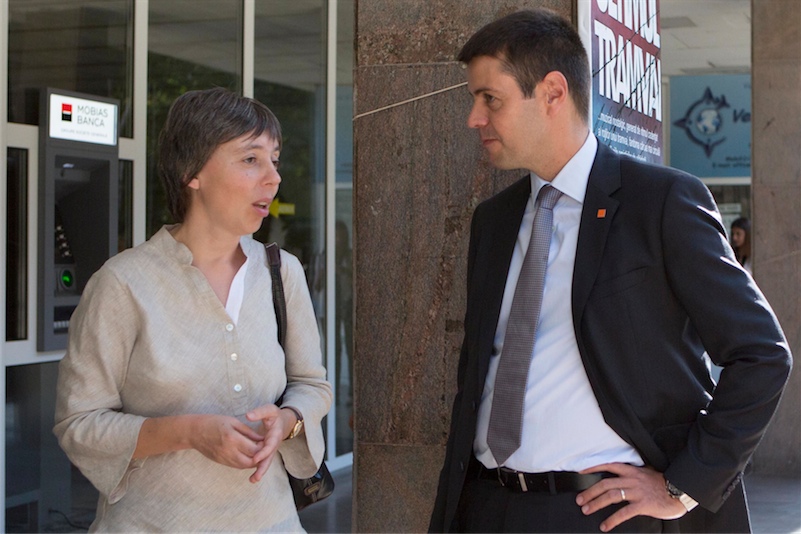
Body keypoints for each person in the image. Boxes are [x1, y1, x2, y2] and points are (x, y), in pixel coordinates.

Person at [430, 9, 791, 534]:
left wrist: (683, 487)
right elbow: (475, 376)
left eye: (491, 99)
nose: (474, 118)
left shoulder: (661, 203)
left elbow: (761, 354)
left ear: (553, 92)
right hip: (486, 508)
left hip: (605, 515)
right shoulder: (494, 221)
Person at [54, 88, 332, 532]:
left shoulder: (282, 272)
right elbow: (79, 424)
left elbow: (312, 385)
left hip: (272, 521)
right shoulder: (123, 283)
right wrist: (189, 432)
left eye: (275, 160)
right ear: (192, 172)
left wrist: (288, 422)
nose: (274, 178)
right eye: (251, 159)